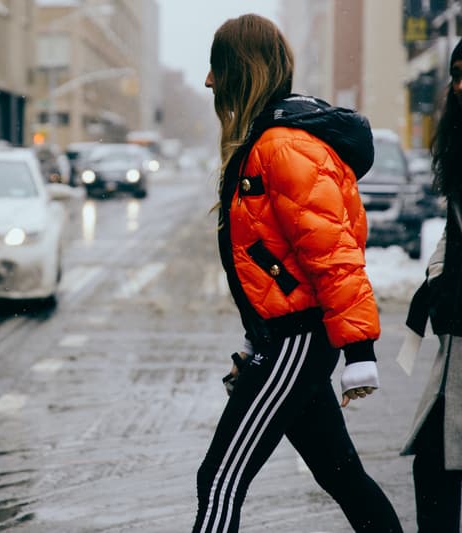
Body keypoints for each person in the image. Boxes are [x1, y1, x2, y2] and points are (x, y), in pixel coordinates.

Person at [191, 14, 403, 532]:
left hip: (295, 341)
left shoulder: (284, 147)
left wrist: (359, 353)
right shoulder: (271, 141)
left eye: (218, 67)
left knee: (218, 480)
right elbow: (277, 262)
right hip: (286, 338)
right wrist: (255, 341)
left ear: (241, 69)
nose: (209, 82)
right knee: (343, 477)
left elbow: (334, 254)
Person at [400, 38, 462, 533]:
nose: (460, 87)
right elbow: (453, 228)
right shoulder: (459, 146)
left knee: (440, 463)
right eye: (456, 75)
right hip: (456, 335)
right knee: (436, 463)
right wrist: (438, 281)